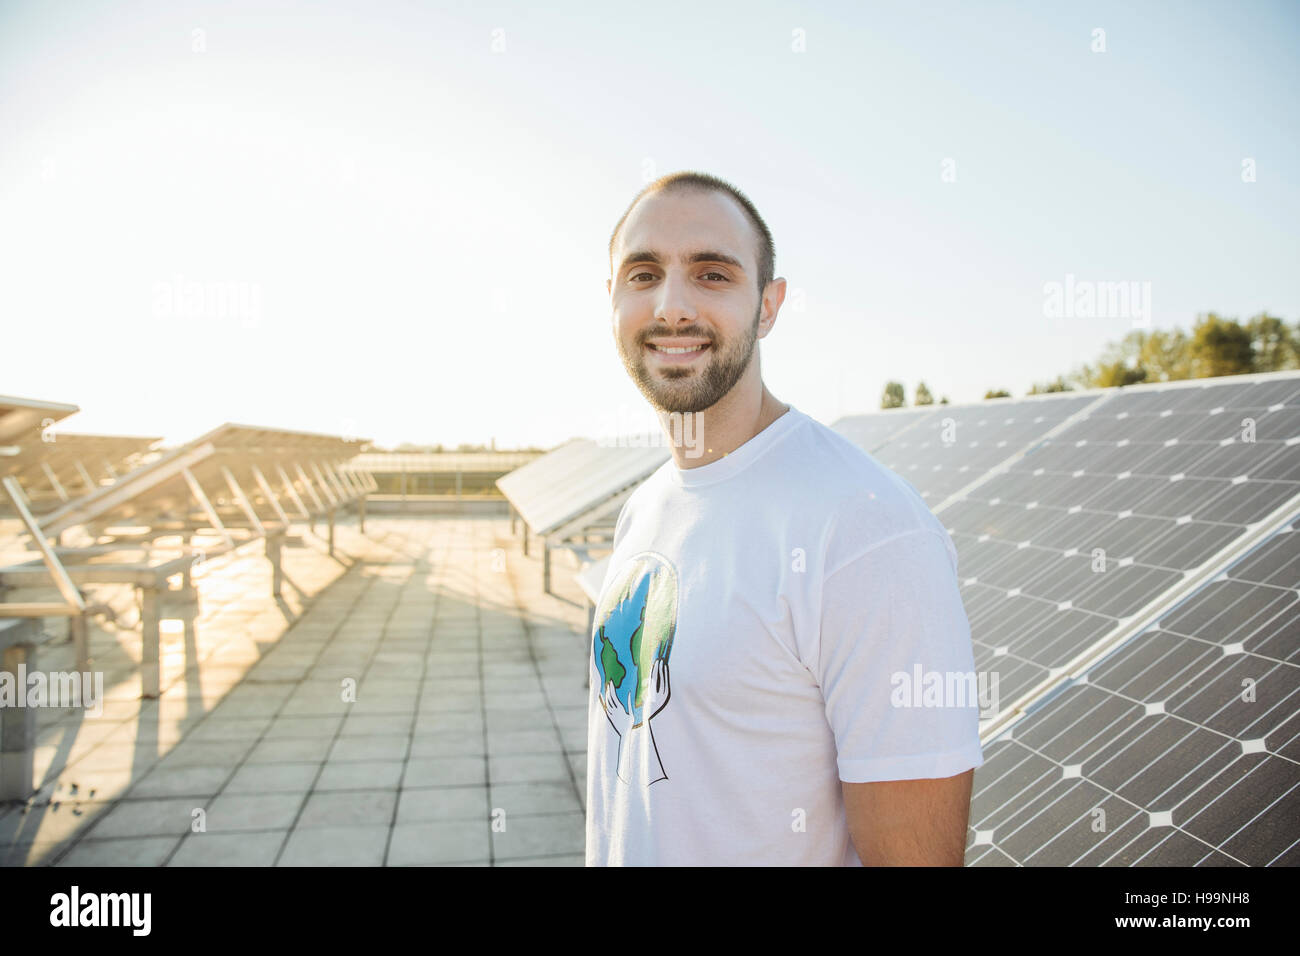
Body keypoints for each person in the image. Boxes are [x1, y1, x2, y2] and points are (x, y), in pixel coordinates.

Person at [585, 170, 984, 866]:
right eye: (643, 274)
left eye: (712, 275)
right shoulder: (644, 508)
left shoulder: (866, 530)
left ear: (768, 307)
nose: (672, 307)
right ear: (612, 299)